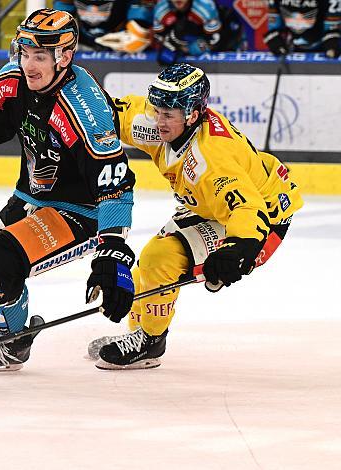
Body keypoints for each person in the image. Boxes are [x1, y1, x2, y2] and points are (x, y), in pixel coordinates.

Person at [0, 8, 137, 389]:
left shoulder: (86, 106)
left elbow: (114, 183)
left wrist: (112, 251)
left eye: (40, 57)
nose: (28, 65)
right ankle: (13, 346)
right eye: (25, 53)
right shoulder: (13, 78)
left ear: (63, 57)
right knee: (0, 271)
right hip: (28, 196)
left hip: (80, 212)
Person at [86, 63, 303, 369]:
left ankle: (150, 341)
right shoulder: (163, 123)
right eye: (157, 109)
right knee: (143, 275)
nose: (159, 121)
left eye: (168, 115)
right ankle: (140, 332)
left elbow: (246, 208)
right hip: (208, 205)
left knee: (159, 258)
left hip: (260, 221)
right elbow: (115, 113)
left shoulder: (209, 159)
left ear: (192, 114)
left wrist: (235, 248)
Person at [152, 0, 243, 65]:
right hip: (181, 38)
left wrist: (189, 48)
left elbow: (216, 41)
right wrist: (174, 43)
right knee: (165, 58)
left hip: (223, 30)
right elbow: (159, 36)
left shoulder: (205, 6)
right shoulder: (161, 8)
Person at [54, 0, 154, 53]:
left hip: (121, 49)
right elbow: (59, 24)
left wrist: (136, 36)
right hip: (82, 46)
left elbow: (140, 33)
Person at [264, 0, 340, 59]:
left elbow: (332, 29)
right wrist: (274, 39)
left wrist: (333, 41)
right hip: (292, 51)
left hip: (323, 50)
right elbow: (274, 25)